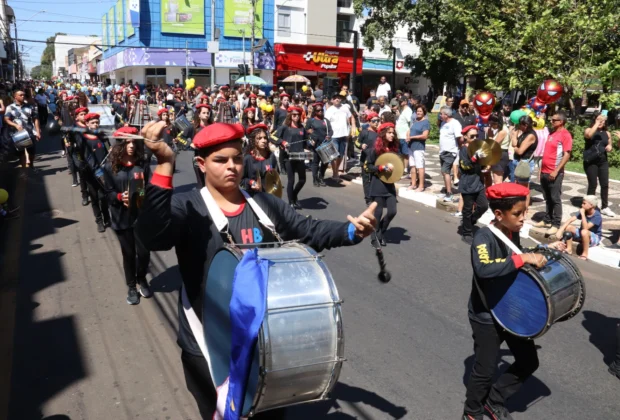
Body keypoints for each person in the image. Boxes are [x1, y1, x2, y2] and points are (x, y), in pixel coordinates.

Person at [134, 121, 377, 420]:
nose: (232, 167)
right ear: (201, 164)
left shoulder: (264, 204)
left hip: (267, 343)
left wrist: (351, 231)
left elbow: (309, 231)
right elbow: (153, 236)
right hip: (209, 345)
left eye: (237, 158)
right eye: (220, 160)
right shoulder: (188, 206)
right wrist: (164, 164)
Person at [462, 183, 566, 420]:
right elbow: (484, 268)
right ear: (499, 214)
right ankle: (471, 412)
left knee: (529, 361)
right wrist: (524, 258)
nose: (523, 218)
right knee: (485, 370)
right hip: (486, 314)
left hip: (510, 310)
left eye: (524, 212)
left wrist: (543, 250)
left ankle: (494, 400)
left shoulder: (512, 232)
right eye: (517, 213)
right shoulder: (483, 236)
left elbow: (515, 254)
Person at [102, 126, 152, 304]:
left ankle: (142, 278)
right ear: (120, 144)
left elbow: (150, 188)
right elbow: (106, 193)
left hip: (141, 216)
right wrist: (118, 196)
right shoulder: (110, 167)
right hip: (121, 217)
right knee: (129, 254)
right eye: (127, 142)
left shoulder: (142, 164)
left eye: (133, 141)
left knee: (144, 254)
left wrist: (146, 195)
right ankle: (131, 286)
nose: (131, 146)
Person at [73, 111, 111, 232]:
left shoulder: (100, 135)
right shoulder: (83, 138)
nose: (96, 124)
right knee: (94, 198)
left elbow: (107, 151)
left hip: (103, 172)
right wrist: (97, 172)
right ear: (87, 124)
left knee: (104, 197)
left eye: (97, 122)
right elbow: (86, 157)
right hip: (91, 173)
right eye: (93, 122)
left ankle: (107, 217)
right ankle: (99, 221)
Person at [364, 122, 399, 247]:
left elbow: (398, 166)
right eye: (389, 133)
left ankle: (381, 232)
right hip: (377, 185)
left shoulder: (394, 149)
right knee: (377, 214)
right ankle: (374, 237)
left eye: (393, 133)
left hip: (390, 185)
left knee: (392, 211)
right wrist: (380, 167)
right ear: (383, 134)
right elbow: (367, 167)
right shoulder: (375, 150)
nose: (392, 135)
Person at [537, 111, 572, 236]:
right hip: (545, 171)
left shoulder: (565, 135)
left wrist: (556, 170)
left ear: (561, 122)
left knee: (555, 198)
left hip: (555, 172)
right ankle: (547, 219)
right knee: (547, 197)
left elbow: (566, 155)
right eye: (551, 120)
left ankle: (556, 224)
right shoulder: (552, 133)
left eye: (554, 120)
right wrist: (540, 170)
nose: (551, 122)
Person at [271, 106, 307, 209]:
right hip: (288, 157)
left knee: (302, 180)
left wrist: (310, 142)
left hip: (300, 156)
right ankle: (291, 201)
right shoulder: (285, 127)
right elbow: (272, 136)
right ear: (290, 115)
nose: (296, 117)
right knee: (291, 180)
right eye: (294, 115)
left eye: (298, 115)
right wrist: (282, 142)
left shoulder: (301, 128)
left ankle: (294, 195)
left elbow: (305, 142)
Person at [458, 126, 489, 244]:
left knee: (484, 205)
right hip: (468, 183)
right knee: (467, 209)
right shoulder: (464, 150)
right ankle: (466, 233)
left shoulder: (478, 148)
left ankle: (471, 221)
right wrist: (475, 158)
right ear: (465, 137)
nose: (475, 138)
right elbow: (465, 166)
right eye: (472, 136)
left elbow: (481, 164)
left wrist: (485, 166)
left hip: (478, 182)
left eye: (477, 136)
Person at [583, 111, 616, 217]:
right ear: (594, 120)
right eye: (598, 119)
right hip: (591, 161)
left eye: (602, 120)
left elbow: (610, 145)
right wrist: (597, 123)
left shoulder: (607, 133)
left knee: (605, 184)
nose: (601, 122)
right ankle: (589, 206)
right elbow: (588, 135)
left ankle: (605, 207)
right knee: (593, 184)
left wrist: (610, 147)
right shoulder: (589, 130)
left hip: (603, 161)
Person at [4, 90, 41, 173]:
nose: (23, 96)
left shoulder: (30, 106)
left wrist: (38, 131)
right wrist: (15, 125)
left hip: (30, 132)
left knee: (31, 152)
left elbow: (36, 119)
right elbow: (6, 119)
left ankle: (31, 164)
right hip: (18, 133)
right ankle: (24, 170)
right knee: (21, 153)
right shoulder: (10, 107)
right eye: (20, 95)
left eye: (24, 95)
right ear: (15, 97)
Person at [555, 195, 603, 260]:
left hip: (594, 238)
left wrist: (583, 214)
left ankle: (585, 253)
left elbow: (586, 228)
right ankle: (569, 249)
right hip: (583, 234)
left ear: (591, 205)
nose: (582, 205)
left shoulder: (597, 216)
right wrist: (561, 229)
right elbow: (571, 219)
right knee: (569, 227)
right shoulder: (585, 210)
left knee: (584, 231)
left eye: (584, 203)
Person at [181, 104, 213, 188]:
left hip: (211, 158)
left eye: (208, 113)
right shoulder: (193, 127)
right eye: (204, 113)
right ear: (199, 114)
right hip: (198, 159)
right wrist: (189, 144)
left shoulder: (212, 127)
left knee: (212, 183)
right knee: (201, 184)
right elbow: (179, 137)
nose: (206, 115)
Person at [324, 93, 355, 181]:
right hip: (334, 136)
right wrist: (327, 134)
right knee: (334, 156)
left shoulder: (345, 108)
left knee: (341, 155)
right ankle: (335, 173)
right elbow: (326, 123)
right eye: (335, 98)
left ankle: (336, 170)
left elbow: (351, 117)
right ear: (332, 100)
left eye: (339, 98)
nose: (337, 99)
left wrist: (352, 128)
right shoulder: (329, 110)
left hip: (344, 135)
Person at [241, 123, 279, 193]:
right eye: (259, 138)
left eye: (265, 138)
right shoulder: (247, 158)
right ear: (253, 140)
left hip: (270, 194)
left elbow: (276, 176)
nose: (263, 141)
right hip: (253, 195)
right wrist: (251, 182)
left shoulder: (271, 156)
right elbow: (241, 180)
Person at [438, 106, 462, 202]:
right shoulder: (443, 123)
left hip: (450, 151)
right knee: (444, 172)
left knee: (445, 172)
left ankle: (449, 193)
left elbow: (459, 138)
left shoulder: (455, 123)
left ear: (446, 115)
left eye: (441, 114)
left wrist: (460, 148)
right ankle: (447, 190)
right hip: (442, 152)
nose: (440, 115)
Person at [306, 102, 333, 187]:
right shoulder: (311, 120)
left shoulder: (326, 120)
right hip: (315, 145)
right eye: (318, 110)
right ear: (315, 111)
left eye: (322, 110)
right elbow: (306, 131)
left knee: (325, 162)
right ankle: (315, 179)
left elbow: (331, 131)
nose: (320, 111)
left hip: (325, 144)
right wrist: (310, 136)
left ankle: (321, 177)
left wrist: (329, 135)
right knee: (315, 163)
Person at [355, 112, 380, 205]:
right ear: (369, 121)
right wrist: (361, 145)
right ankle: (368, 199)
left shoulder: (379, 133)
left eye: (378, 120)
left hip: (376, 160)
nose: (376, 123)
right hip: (365, 159)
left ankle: (374, 196)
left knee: (375, 179)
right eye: (374, 121)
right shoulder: (364, 132)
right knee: (366, 180)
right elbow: (356, 142)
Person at [406, 104, 430, 191]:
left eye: (420, 111)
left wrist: (412, 137)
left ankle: (421, 186)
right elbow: (409, 130)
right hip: (411, 146)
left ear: (424, 112)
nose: (418, 113)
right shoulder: (415, 121)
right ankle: (413, 184)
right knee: (412, 166)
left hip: (419, 147)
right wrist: (408, 136)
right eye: (417, 111)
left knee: (420, 166)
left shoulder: (425, 122)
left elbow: (425, 136)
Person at [508, 115, 538, 184]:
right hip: (518, 161)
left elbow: (520, 151)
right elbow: (514, 144)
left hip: (524, 162)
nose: (518, 126)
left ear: (526, 125)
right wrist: (515, 134)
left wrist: (515, 147)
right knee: (518, 184)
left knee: (523, 186)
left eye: (520, 124)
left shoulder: (531, 135)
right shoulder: (524, 133)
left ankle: (524, 195)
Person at [488, 113, 510, 185]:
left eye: (492, 124)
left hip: (500, 154)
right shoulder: (501, 129)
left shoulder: (502, 131)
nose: (491, 126)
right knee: (498, 178)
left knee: (497, 179)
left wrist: (490, 136)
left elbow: (493, 145)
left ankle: (498, 195)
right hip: (500, 154)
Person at [395, 97, 412, 177]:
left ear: (405, 101)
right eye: (399, 101)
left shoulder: (408, 111)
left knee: (405, 153)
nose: (400, 102)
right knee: (400, 153)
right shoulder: (403, 111)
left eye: (401, 101)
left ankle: (405, 169)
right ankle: (402, 168)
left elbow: (410, 123)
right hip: (399, 135)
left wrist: (409, 135)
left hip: (404, 135)